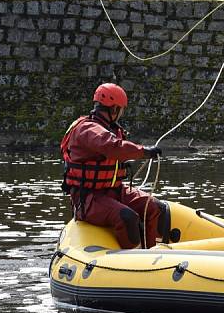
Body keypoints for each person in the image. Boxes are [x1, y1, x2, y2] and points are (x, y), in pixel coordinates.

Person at [60, 83, 163, 249]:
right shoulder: (87, 129)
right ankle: (133, 259)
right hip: (88, 198)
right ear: (114, 109)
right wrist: (144, 152)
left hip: (113, 191)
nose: (121, 113)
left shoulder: (110, 129)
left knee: (153, 207)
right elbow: (112, 147)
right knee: (127, 217)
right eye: (121, 109)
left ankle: (151, 252)